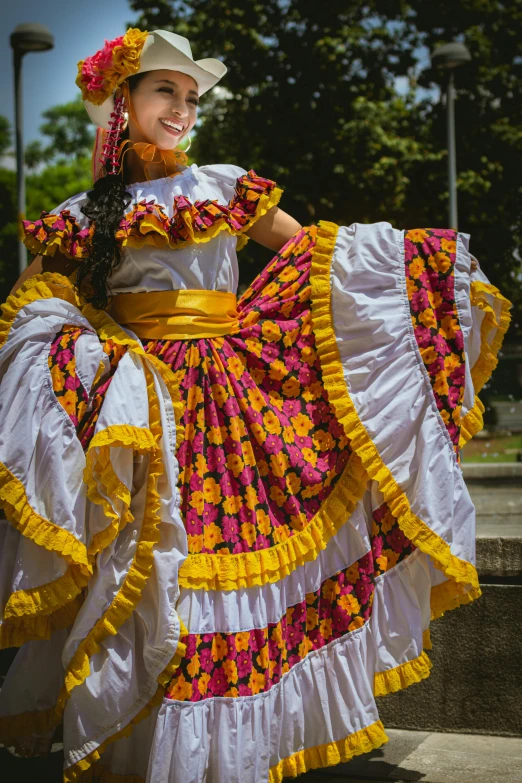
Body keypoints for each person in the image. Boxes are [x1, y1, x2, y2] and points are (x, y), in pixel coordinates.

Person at [0, 28, 511, 783]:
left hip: (235, 398)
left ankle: (244, 746)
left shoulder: (221, 184)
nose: (182, 108)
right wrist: (91, 358)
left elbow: (312, 256)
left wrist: (408, 270)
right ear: (122, 103)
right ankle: (161, 749)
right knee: (163, 572)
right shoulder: (83, 214)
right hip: (147, 410)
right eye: (164, 91)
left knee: (239, 560)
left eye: (191, 96)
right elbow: (35, 306)